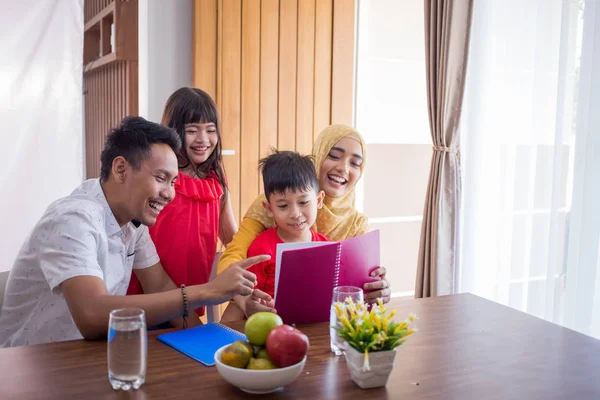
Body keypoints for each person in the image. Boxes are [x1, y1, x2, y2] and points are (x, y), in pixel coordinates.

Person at [0, 116, 267, 347]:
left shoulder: (131, 223)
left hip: (87, 358)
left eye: (173, 182)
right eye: (161, 178)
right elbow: (92, 315)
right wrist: (207, 291)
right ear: (120, 169)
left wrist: (211, 344)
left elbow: (159, 284)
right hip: (30, 366)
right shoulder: (73, 219)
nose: (170, 194)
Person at [218, 124, 391, 318]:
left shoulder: (356, 223)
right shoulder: (269, 205)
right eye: (334, 156)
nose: (343, 168)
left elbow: (355, 289)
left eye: (355, 163)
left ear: (317, 200)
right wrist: (244, 302)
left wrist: (376, 287)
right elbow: (234, 259)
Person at [126, 88, 240, 319]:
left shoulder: (216, 180)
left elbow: (231, 237)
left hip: (190, 291)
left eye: (210, 130)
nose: (203, 140)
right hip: (149, 288)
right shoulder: (161, 177)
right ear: (174, 132)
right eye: (192, 131)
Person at [246, 150, 329, 298]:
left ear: (318, 201)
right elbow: (250, 296)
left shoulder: (328, 248)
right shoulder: (261, 249)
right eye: (283, 206)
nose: (295, 214)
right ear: (269, 209)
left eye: (303, 202)